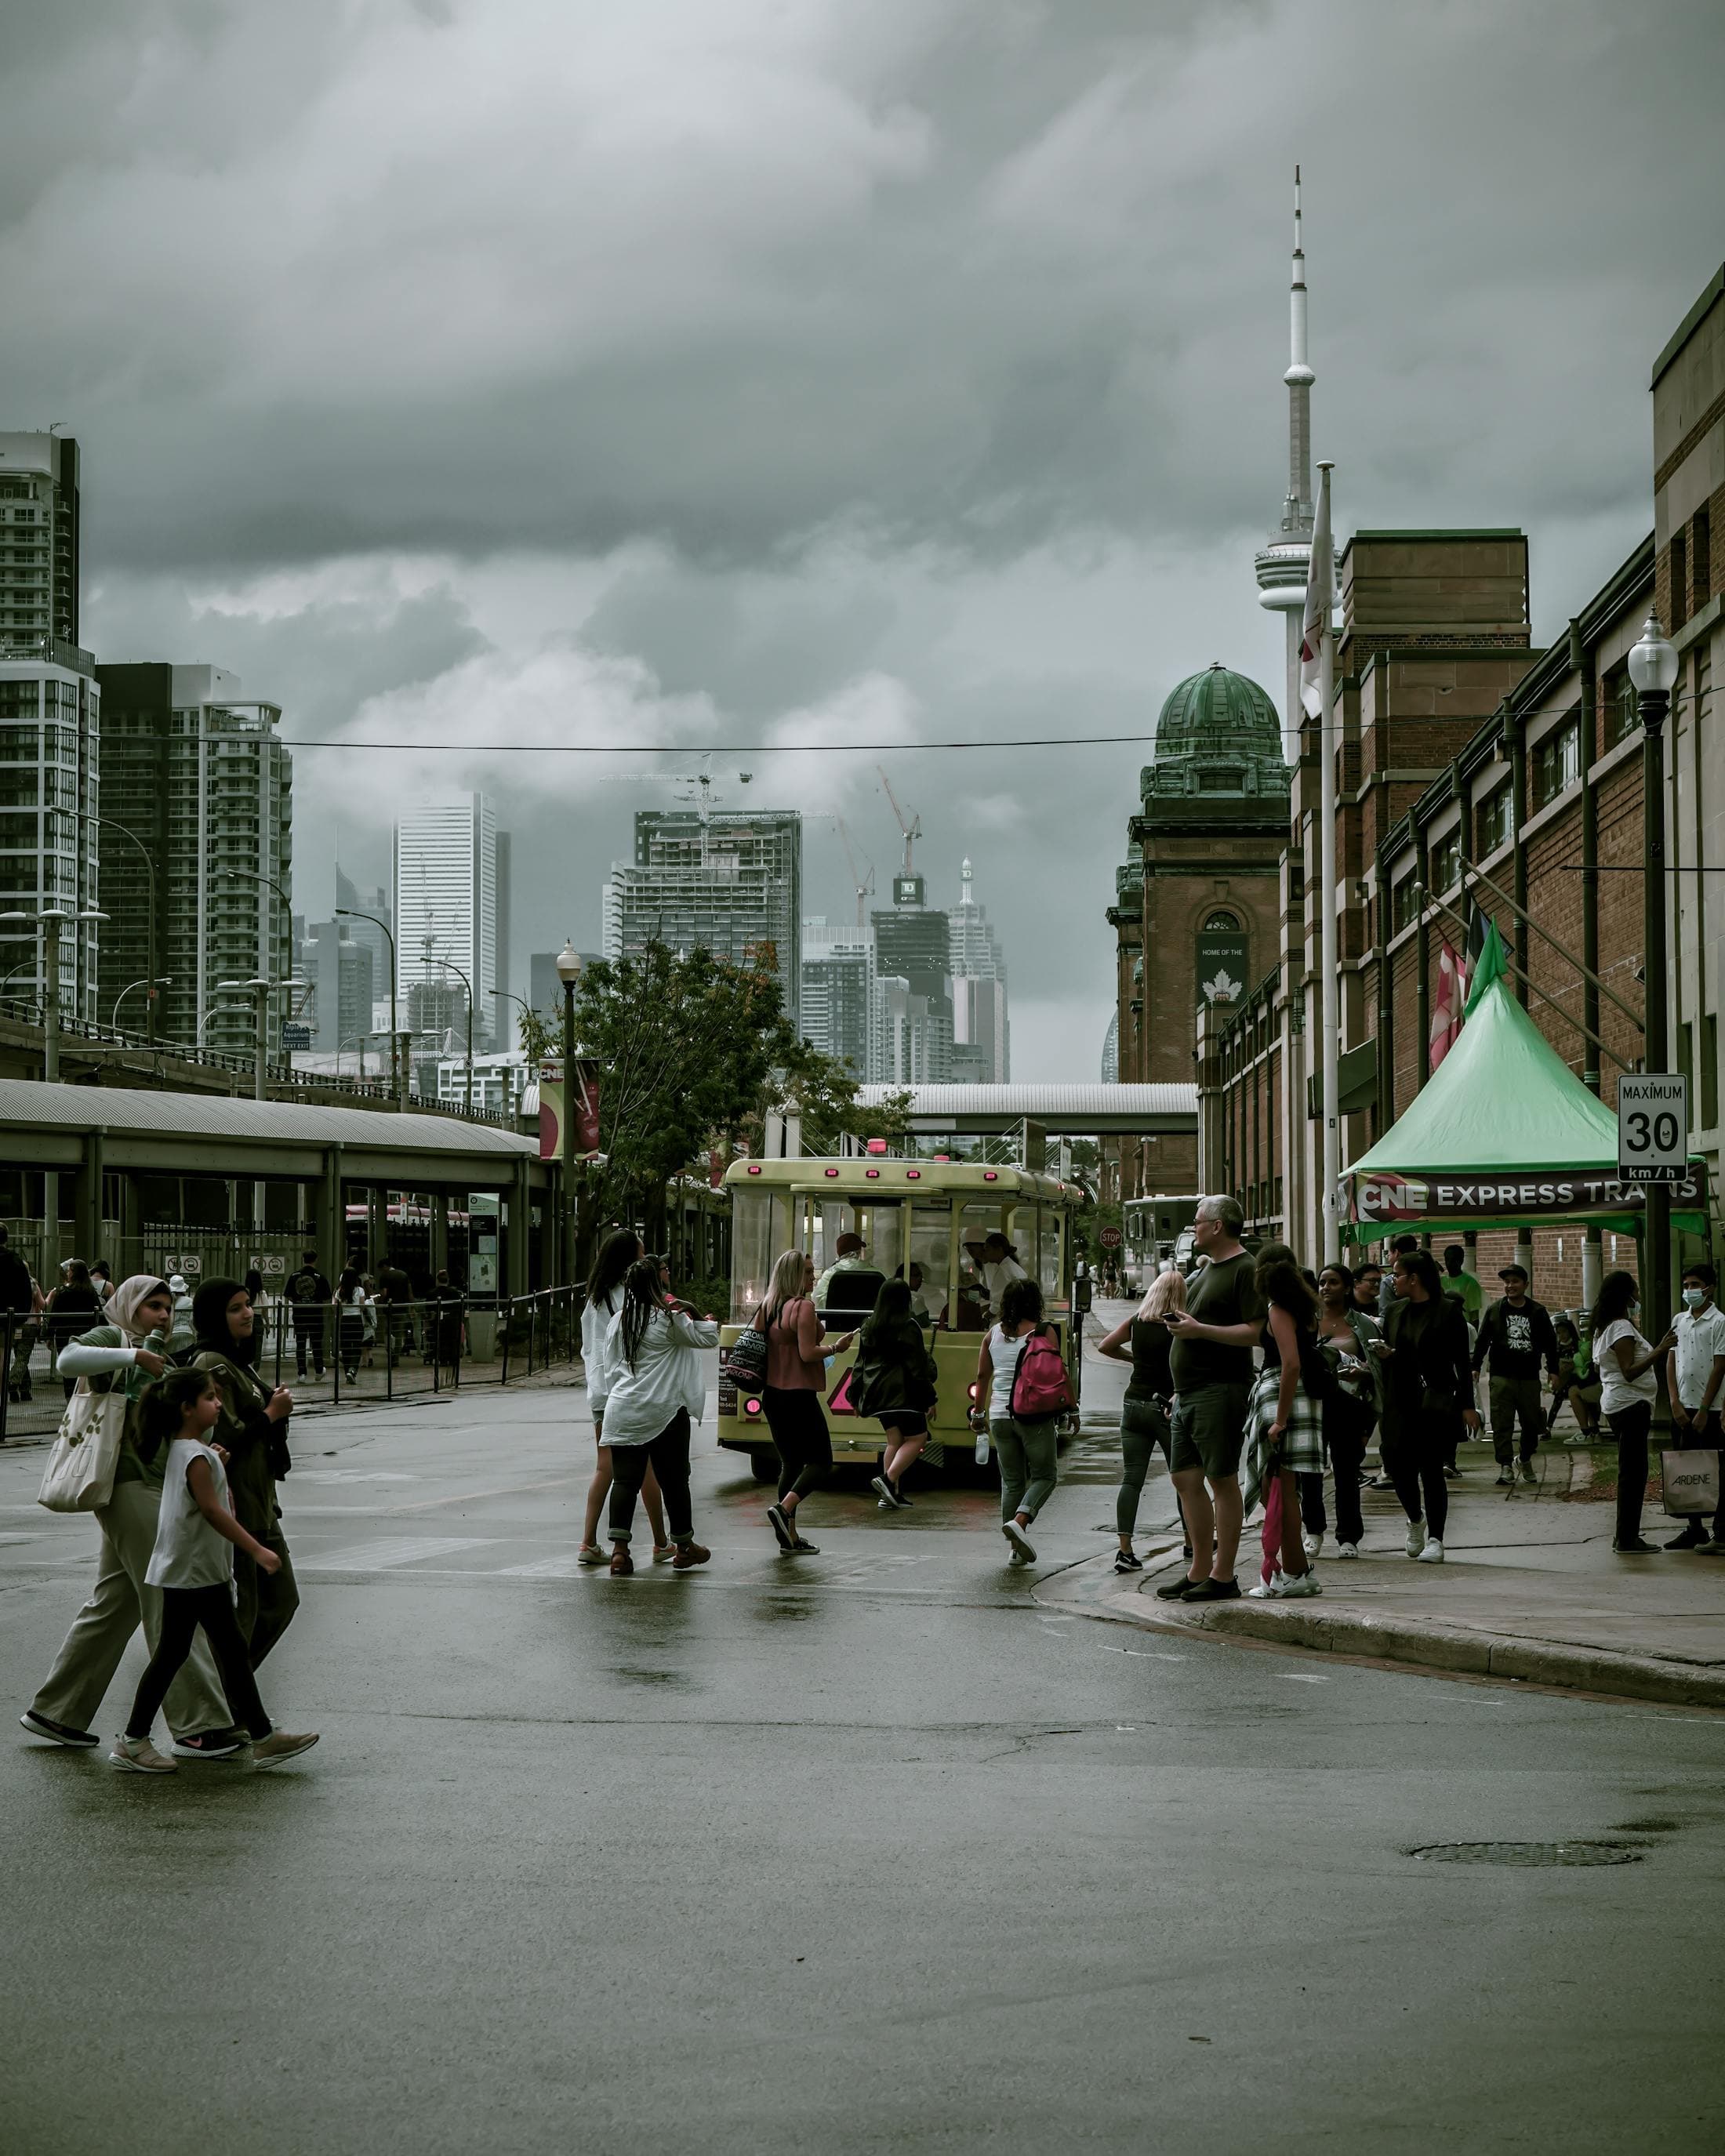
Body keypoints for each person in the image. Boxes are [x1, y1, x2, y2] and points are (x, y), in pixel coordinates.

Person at [21, 1277, 240, 1757]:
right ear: (129, 1308)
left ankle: (56, 1710)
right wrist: (133, 1356)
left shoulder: (160, 1354)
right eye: (152, 1306)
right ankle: (198, 1724)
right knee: (167, 1596)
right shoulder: (113, 1338)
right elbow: (66, 1360)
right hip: (126, 1486)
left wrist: (201, 1450)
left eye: (167, 1307)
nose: (163, 1315)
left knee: (114, 1604)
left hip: (146, 1486)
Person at [110, 1368, 318, 1774]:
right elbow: (211, 1510)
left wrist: (217, 1462)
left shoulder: (191, 1451)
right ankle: (135, 1741)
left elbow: (202, 1496)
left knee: (222, 1652)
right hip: (194, 1575)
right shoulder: (197, 1457)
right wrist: (257, 1549)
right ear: (187, 1409)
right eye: (209, 1397)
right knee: (181, 1654)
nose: (218, 1403)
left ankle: (261, 1737)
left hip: (195, 1572)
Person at [1156, 1195, 1263, 1603]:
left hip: (1220, 1389)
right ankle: (1199, 1568)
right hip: (1186, 1394)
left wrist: (1200, 1331)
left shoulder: (1244, 1269)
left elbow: (1256, 1332)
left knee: (1221, 1479)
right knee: (1185, 1478)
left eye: (1198, 1222)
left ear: (1218, 1226)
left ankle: (1223, 1574)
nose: (1193, 1228)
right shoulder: (1204, 1272)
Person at [190, 1278, 299, 1662]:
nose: (247, 1313)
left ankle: (233, 1698)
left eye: (248, 1304)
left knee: (282, 1600)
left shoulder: (236, 1360)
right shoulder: (211, 1363)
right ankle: (231, 1704)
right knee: (245, 1613)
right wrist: (272, 1413)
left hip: (260, 1501)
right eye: (235, 1308)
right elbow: (223, 1439)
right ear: (214, 1317)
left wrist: (272, 1405)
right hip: (236, 1504)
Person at [600, 1258, 717, 1575]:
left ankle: (620, 1553)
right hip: (665, 1411)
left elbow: (608, 1364)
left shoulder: (619, 1321)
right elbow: (709, 1338)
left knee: (625, 1480)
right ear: (656, 1286)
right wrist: (689, 1308)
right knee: (675, 1481)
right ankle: (684, 1548)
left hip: (623, 1408)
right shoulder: (668, 1320)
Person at [578, 1230, 670, 1566]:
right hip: (625, 1392)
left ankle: (594, 1541)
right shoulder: (627, 1296)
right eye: (642, 1255)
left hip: (599, 1393)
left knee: (616, 1467)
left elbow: (590, 1349)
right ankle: (657, 1542)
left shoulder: (595, 1299)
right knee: (635, 1467)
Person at [1381, 1247, 1480, 1562]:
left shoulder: (1447, 1312)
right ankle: (1415, 1518)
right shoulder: (1396, 1311)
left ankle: (1436, 1538)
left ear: (1414, 1278)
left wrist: (1468, 1405)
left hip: (1434, 1401)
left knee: (1431, 1470)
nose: (1392, 1280)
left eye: (1397, 1274)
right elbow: (1394, 1356)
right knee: (1396, 1464)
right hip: (1399, 1399)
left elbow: (1461, 1364)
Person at [1240, 1243, 1324, 1599]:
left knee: (1281, 1489)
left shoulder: (1277, 1309)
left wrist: (1280, 1419)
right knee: (1287, 1490)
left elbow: (1290, 1363)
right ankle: (1296, 1568)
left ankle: (1292, 1572)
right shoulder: (1306, 1307)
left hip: (1284, 1400)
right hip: (1305, 1400)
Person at [758, 1249, 855, 1556]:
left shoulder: (768, 1306)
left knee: (790, 1462)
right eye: (807, 1272)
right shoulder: (803, 1308)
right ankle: (784, 1508)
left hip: (772, 1396)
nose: (812, 1277)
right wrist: (835, 1348)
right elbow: (806, 1353)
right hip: (798, 1394)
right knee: (822, 1461)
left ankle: (789, 1536)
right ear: (792, 1275)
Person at [1096, 1268, 1184, 1573]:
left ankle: (1124, 1550)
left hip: (1133, 1403)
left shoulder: (1137, 1321)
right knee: (1184, 1479)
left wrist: (1133, 1359)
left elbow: (1105, 1345)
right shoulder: (1178, 1326)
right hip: (1165, 1407)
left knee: (1131, 1479)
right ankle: (1191, 1542)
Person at [974, 1276, 1062, 1564]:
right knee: (1045, 1475)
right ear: (1034, 1302)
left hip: (999, 1415)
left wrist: (978, 1413)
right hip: (1032, 1415)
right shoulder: (1044, 1332)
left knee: (1012, 1481)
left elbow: (982, 1377)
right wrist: (1070, 1410)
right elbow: (1057, 1375)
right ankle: (1021, 1521)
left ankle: (1014, 1549)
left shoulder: (993, 1334)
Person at [1592, 1269, 1676, 1553]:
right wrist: (1660, 1349)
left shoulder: (1604, 1328)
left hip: (1619, 1404)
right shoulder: (1621, 1328)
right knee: (1633, 1474)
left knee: (1631, 1472)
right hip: (1631, 1406)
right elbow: (1629, 1372)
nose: (1638, 1296)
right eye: (1636, 1291)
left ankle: (1625, 1535)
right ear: (1626, 1295)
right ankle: (1627, 1538)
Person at [1313, 1261, 1382, 1559]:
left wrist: (1363, 1372)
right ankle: (1313, 1531)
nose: (1325, 1287)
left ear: (1347, 1287)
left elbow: (1378, 1369)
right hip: (1315, 1406)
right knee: (1311, 1472)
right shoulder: (1307, 1323)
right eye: (1322, 1282)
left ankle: (1348, 1538)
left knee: (1346, 1473)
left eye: (1332, 1282)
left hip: (1349, 1406)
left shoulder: (1363, 1324)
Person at [1473, 1263, 1561, 1489]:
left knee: (1532, 1423)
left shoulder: (1538, 1312)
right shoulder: (1495, 1310)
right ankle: (1505, 1466)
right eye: (1507, 1282)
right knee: (1502, 1422)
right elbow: (1483, 1340)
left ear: (1525, 1285)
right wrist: (1475, 1366)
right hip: (1502, 1375)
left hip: (1529, 1376)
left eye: (1515, 1282)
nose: (1510, 1286)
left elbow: (1551, 1344)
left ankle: (1524, 1458)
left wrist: (1553, 1370)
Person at [853, 1277, 939, 1510]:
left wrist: (855, 1396)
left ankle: (890, 1495)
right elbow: (917, 1367)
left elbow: (860, 1363)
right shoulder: (909, 1327)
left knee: (895, 1440)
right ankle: (888, 1481)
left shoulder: (869, 1326)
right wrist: (930, 1398)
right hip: (906, 1395)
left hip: (878, 1395)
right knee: (918, 1438)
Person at [1665, 1259, 1725, 1552]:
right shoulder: (1679, 1320)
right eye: (1686, 1285)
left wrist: (1704, 1409)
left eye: (1695, 1286)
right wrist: (1674, 1401)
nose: (1690, 1291)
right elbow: (1671, 1359)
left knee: (1715, 1469)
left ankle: (1721, 1531)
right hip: (1683, 1406)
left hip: (1709, 1408)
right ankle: (1694, 1527)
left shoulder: (1719, 1322)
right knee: (1686, 1469)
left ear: (1709, 1289)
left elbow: (1719, 1366)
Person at [45, 1259, 105, 1399]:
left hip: (64, 1337)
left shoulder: (63, 1292)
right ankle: (83, 1395)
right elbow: (100, 1315)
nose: (67, 1273)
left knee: (69, 1370)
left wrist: (49, 1335)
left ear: (74, 1274)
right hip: (86, 1335)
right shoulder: (90, 1292)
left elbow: (55, 1316)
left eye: (69, 1271)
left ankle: (70, 1398)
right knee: (85, 1369)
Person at [1550, 1313, 1602, 1439]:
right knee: (1560, 1396)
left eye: (1564, 1332)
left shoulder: (1579, 1346)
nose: (1561, 1336)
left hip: (1580, 1378)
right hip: (1567, 1379)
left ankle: (1590, 1428)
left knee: (1578, 1394)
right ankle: (1548, 1426)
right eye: (1558, 1333)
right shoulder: (1557, 1349)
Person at [0, 1225, 36, 1403]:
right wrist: (18, 1318)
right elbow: (25, 1294)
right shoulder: (15, 1262)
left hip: (8, 1320)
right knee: (6, 1359)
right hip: (7, 1320)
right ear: (6, 1239)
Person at [813, 1232, 883, 1317]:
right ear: (860, 1250)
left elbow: (818, 1305)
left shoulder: (830, 1275)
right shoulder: (877, 1273)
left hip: (835, 1327)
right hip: (872, 1328)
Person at [286, 1250, 331, 1379]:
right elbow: (327, 1297)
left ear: (303, 1259)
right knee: (316, 1343)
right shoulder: (320, 1277)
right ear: (315, 1260)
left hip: (299, 1314)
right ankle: (318, 1370)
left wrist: (299, 1301)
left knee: (300, 1343)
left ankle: (302, 1374)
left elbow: (289, 1295)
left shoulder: (294, 1276)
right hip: (315, 1315)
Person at [964, 1230, 1028, 1316]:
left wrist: (986, 1317)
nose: (985, 1253)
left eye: (987, 1249)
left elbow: (998, 1303)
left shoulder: (1003, 1270)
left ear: (999, 1249)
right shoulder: (1011, 1266)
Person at [428, 1269, 466, 1381]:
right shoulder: (455, 1293)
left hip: (438, 1321)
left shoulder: (432, 1293)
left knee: (440, 1339)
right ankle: (453, 1358)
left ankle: (442, 1358)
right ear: (448, 1280)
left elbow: (429, 1310)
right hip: (453, 1320)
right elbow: (460, 1308)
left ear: (437, 1280)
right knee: (453, 1340)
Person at [334, 1265, 369, 1383]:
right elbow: (362, 1307)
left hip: (345, 1320)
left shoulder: (339, 1291)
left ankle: (347, 1373)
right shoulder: (360, 1290)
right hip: (357, 1320)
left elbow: (335, 1306)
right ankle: (353, 1370)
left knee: (346, 1348)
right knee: (357, 1347)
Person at [1440, 1243, 1484, 1329]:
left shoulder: (1470, 1283)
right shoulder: (1441, 1281)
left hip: (1462, 1329)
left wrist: (1472, 1338)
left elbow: (1474, 1317)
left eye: (1453, 1260)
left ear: (1461, 1261)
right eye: (1447, 1259)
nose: (1449, 1263)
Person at [165, 1273, 197, 1352]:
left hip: (172, 1335)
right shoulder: (189, 1301)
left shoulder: (168, 1302)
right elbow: (192, 1321)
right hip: (188, 1334)